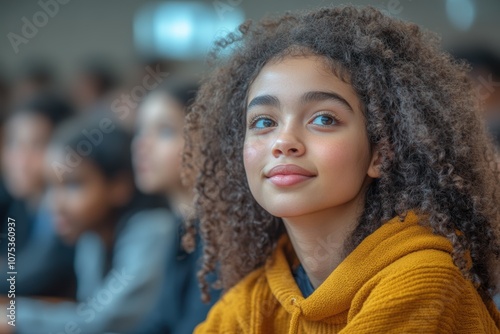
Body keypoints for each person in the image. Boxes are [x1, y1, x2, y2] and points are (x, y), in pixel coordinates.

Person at [184, 6, 500, 333]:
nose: (284, 141)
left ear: (380, 152)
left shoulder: (424, 282)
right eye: (264, 122)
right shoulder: (253, 301)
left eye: (324, 119)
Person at [7, 113, 175, 334]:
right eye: (50, 187)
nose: (54, 204)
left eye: (73, 185)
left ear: (119, 186)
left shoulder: (153, 230)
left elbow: (101, 322)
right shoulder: (91, 236)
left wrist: (12, 318)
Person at [130, 80, 219, 334]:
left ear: (210, 142)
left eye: (165, 131)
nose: (141, 145)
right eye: (140, 131)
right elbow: (158, 322)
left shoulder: (226, 237)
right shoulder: (181, 226)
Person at [0, 94, 76, 298]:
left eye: (36, 146)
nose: (21, 160)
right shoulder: (20, 205)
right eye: (13, 143)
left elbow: (33, 274)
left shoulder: (66, 208)